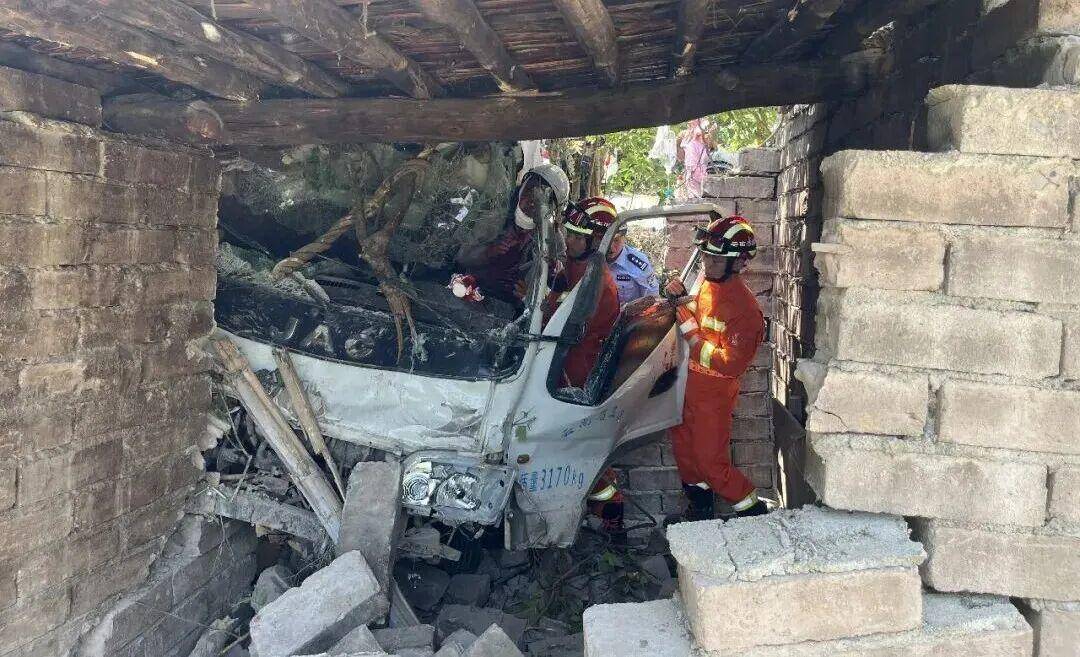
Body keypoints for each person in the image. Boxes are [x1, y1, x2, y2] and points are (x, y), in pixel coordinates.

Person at [664, 214, 768, 520]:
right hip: (689, 387)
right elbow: (702, 311)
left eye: (716, 260)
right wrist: (679, 297)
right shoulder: (709, 286)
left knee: (711, 463)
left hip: (714, 395)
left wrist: (691, 336)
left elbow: (729, 364)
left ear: (738, 263)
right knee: (685, 454)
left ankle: (754, 513)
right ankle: (700, 513)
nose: (708, 264)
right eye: (706, 256)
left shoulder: (747, 312)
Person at [457, 164, 569, 302]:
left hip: (513, 307)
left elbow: (558, 286)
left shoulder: (553, 239)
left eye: (541, 201)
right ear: (521, 188)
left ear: (552, 208)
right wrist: (489, 252)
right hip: (472, 292)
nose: (531, 202)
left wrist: (530, 295)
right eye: (529, 191)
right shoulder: (495, 214)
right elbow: (462, 258)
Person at [544, 200, 620, 389]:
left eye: (577, 237)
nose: (568, 241)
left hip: (570, 371)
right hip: (557, 356)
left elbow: (564, 326)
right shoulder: (577, 264)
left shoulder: (595, 283)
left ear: (596, 242)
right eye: (569, 234)